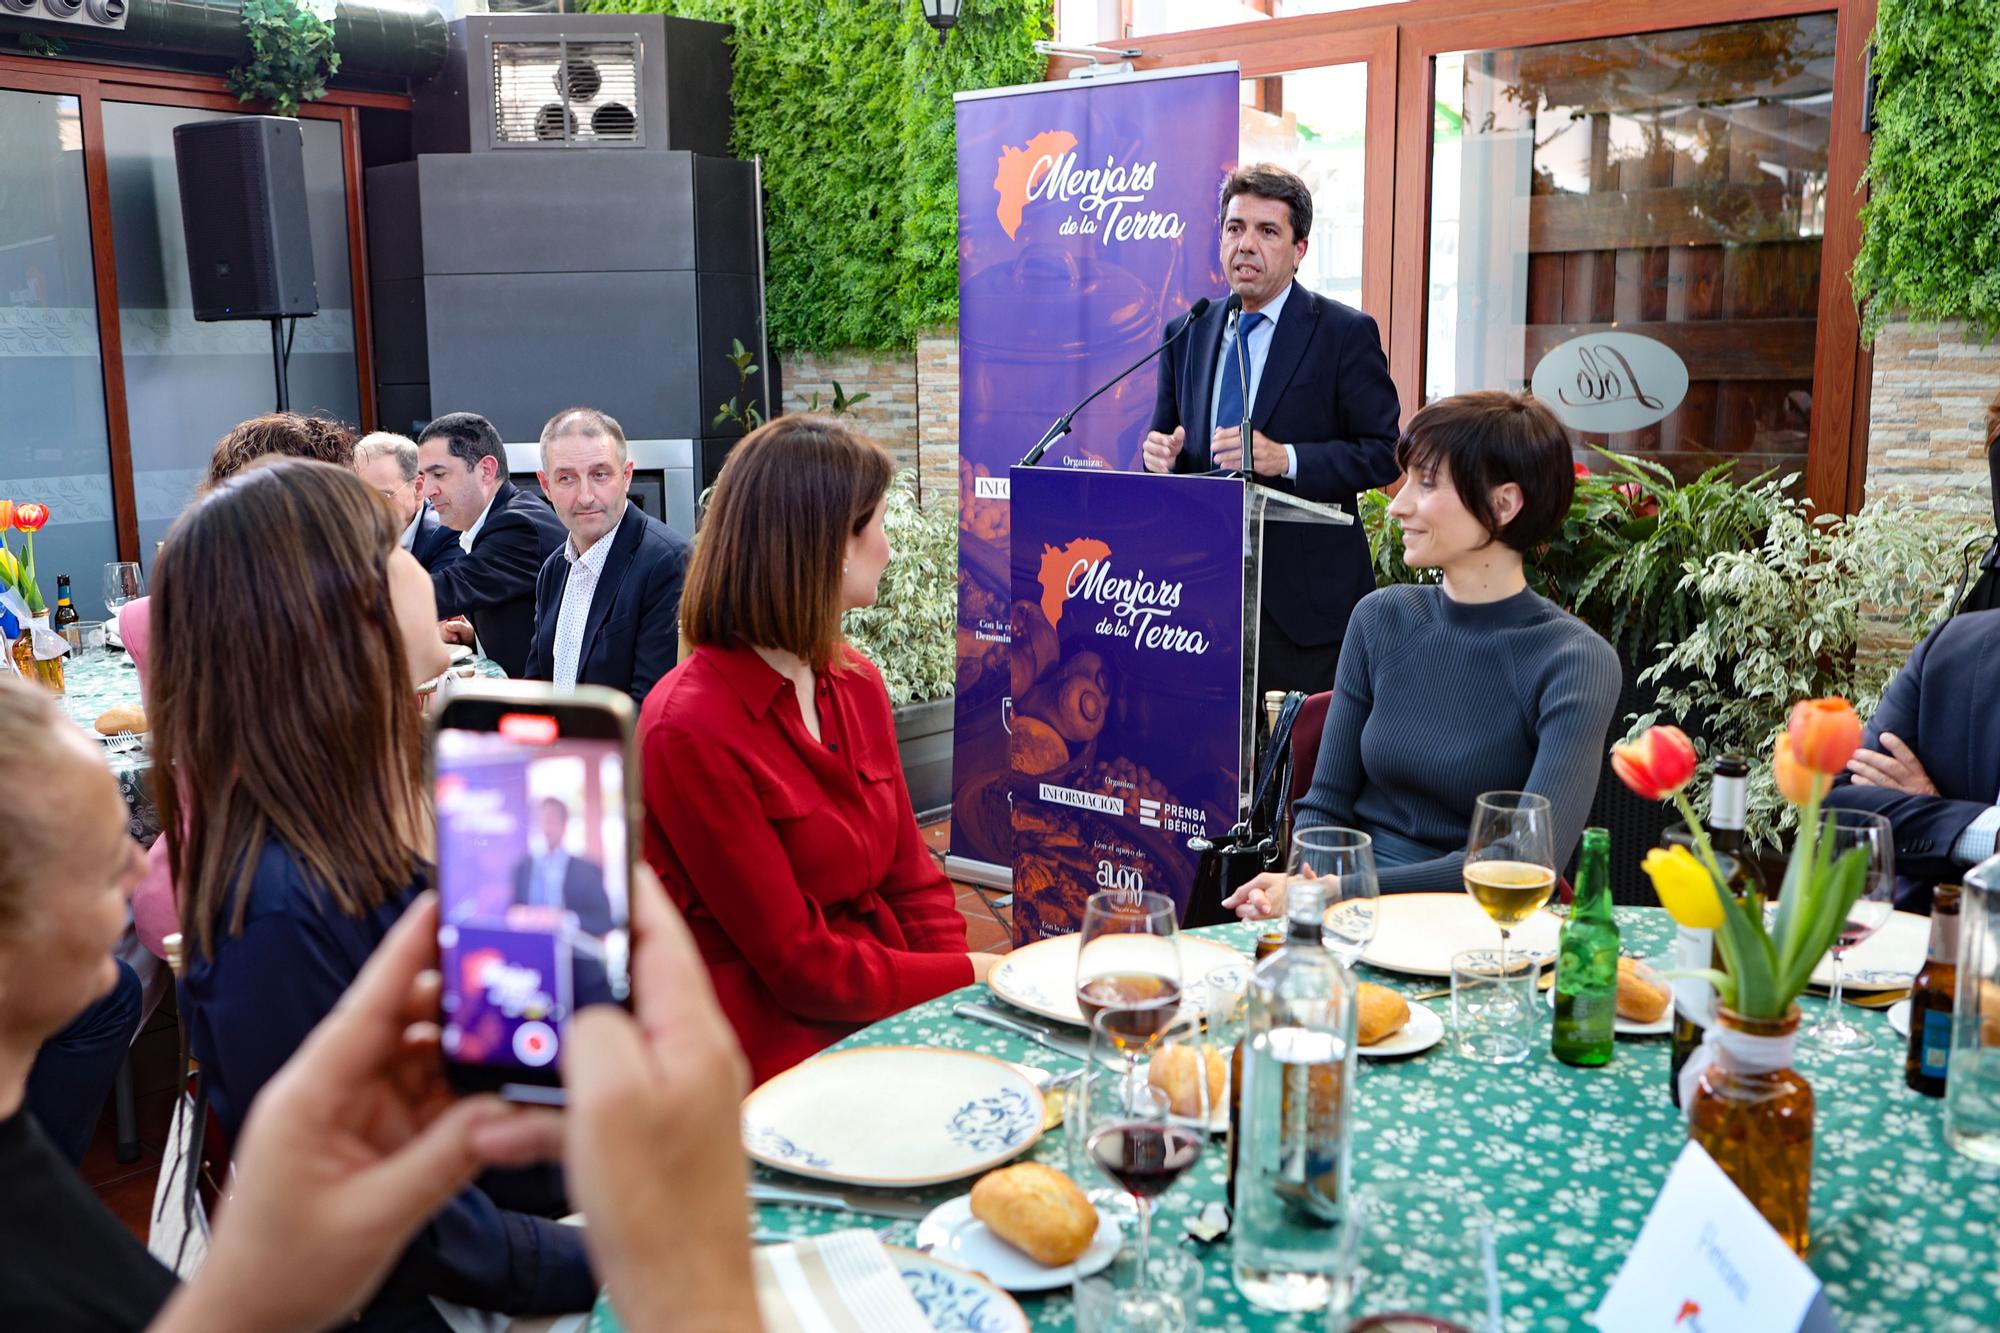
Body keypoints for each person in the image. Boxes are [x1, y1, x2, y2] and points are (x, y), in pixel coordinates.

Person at [0, 674, 761, 1332]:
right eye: (104, 857)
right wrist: (691, 1284)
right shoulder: (280, 909)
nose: (141, 862)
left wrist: (250, 1293)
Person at [151, 459, 595, 1327]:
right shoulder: (277, 908)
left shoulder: (430, 796)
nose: (416, 558)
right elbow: (416, 1224)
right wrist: (624, 1243)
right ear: (331, 616)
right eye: (390, 546)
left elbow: (514, 1058)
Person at [640, 416, 1000, 1084]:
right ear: (826, 544)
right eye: (879, 526)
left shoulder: (853, 679)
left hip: (880, 1008)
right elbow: (799, 966)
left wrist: (962, 1007)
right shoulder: (687, 726)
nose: (889, 549)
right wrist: (975, 972)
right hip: (766, 1056)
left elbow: (910, 878)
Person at [1226, 391, 1621, 911]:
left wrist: (1340, 891)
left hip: (1482, 923)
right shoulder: (1380, 618)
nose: (1398, 504)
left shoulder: (1574, 660)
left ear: (1504, 504)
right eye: (1407, 478)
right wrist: (1311, 896)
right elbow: (1323, 807)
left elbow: (1528, 858)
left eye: (1428, 482)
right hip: (1345, 912)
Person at [1142, 163, 1403, 696]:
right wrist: (1158, 458)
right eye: (1235, 228)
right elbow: (1163, 442)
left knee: (1299, 773)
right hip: (1200, 596)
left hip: (1305, 613)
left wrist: (1286, 458)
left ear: (1299, 248)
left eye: (1267, 231)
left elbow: (1382, 454)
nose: (1246, 245)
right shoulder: (1187, 331)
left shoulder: (1343, 333)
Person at [1828, 608, 2000, 911]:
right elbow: (1841, 805)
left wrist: (1935, 813)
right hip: (1928, 940)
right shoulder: (1951, 648)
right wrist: (1974, 830)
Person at [523, 407, 690, 704]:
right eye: (567, 479)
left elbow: (651, 707)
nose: (586, 496)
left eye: (600, 475)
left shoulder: (667, 562)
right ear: (545, 485)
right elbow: (537, 687)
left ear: (626, 476)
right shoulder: (553, 570)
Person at [416, 411, 567, 677]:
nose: (428, 490)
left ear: (486, 470)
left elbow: (446, 590)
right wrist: (475, 639)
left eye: (439, 474)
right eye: (424, 477)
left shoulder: (519, 527)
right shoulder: (500, 518)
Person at [354, 431, 464, 574]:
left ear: (418, 488)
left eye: (381, 496)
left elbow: (434, 595)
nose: (366, 507)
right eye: (357, 495)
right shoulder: (345, 533)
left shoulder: (449, 533)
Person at [510, 795, 614, 937]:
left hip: (574, 952)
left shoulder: (587, 870)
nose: (547, 828)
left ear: (564, 825)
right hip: (530, 948)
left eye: (552, 821)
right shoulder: (523, 867)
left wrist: (563, 919)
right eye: (543, 821)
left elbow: (604, 921)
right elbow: (512, 910)